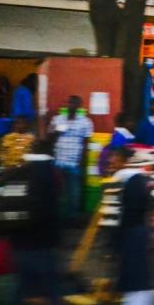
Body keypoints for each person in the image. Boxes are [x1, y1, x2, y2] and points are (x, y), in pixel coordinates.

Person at [1, 140, 66, 305]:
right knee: (53, 291)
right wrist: (57, 239)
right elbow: (51, 213)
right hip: (42, 244)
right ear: (49, 153)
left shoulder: (19, 171)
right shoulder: (49, 175)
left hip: (19, 242)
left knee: (21, 289)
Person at [108, 149, 154, 305]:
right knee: (140, 283)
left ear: (124, 162)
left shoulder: (123, 182)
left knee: (134, 284)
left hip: (131, 234)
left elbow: (120, 217)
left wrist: (115, 244)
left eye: (114, 161)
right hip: (140, 233)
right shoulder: (140, 180)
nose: (111, 165)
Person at [49, 95, 94, 224]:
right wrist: (56, 133)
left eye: (74, 103)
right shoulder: (57, 120)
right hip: (59, 161)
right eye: (69, 103)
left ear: (79, 106)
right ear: (66, 104)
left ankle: (72, 218)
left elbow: (86, 143)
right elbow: (49, 139)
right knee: (60, 192)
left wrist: (83, 163)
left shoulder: (86, 122)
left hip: (75, 162)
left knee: (74, 192)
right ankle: (60, 219)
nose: (71, 105)